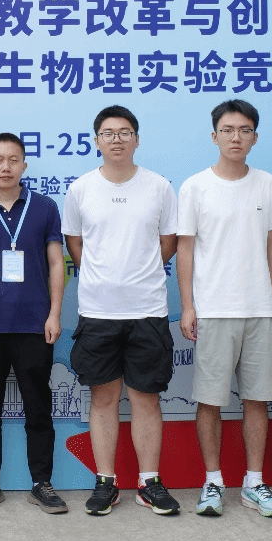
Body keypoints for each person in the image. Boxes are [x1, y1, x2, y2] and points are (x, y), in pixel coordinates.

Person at [62, 105, 180, 517]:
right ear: (97, 140)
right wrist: (101, 276)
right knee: (103, 398)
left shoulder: (159, 187)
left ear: (137, 139)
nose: (117, 139)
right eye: (109, 133)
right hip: (98, 311)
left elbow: (169, 241)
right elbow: (75, 242)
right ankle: (105, 482)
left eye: (125, 132)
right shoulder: (81, 189)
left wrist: (140, 273)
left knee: (146, 397)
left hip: (148, 309)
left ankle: (149, 482)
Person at [176, 100, 272, 518]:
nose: (236, 137)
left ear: (255, 137)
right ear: (214, 136)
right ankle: (213, 481)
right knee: (209, 400)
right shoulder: (195, 187)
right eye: (227, 130)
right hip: (213, 310)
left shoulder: (266, 184)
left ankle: (254, 483)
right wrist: (188, 306)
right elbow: (185, 250)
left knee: (258, 399)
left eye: (244, 130)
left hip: (259, 309)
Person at [0, 133, 68, 515]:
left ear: (24, 165)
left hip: (34, 325)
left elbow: (56, 263)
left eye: (13, 159)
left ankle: (42, 483)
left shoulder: (44, 207)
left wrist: (54, 314)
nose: (6, 167)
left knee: (39, 409)